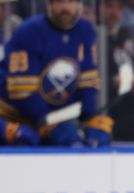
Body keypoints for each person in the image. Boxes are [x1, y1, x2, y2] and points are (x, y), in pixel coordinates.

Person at [0, 0, 112, 147]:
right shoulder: (28, 31)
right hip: (12, 115)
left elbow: (87, 81)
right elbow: (22, 90)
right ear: (49, 4)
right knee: (30, 139)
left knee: (94, 135)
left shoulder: (85, 31)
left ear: (80, 4)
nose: (65, 7)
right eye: (59, 2)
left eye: (70, 2)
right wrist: (46, 120)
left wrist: (88, 118)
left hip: (54, 116)